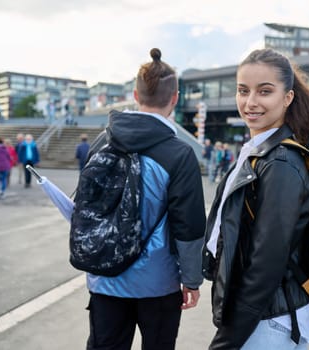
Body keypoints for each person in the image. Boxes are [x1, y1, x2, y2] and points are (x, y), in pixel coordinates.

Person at [202, 48, 309, 349]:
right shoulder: (260, 152)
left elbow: (267, 261)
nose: (250, 102)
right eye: (243, 91)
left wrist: (228, 339)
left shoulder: (280, 162)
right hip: (261, 317)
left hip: (270, 322)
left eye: (265, 91)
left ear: (287, 98)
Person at [81, 48, 206, 350]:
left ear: (136, 95)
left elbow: (87, 209)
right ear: (174, 98)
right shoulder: (179, 154)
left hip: (106, 278)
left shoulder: (102, 142)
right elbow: (188, 225)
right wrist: (191, 279)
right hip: (158, 283)